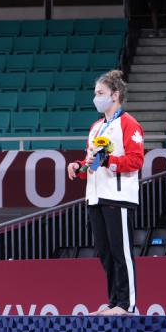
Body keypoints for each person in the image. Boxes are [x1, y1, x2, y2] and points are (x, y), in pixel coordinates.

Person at [67, 70, 144, 316]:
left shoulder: (129, 124)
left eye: (100, 93)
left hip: (118, 195)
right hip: (95, 195)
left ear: (115, 95)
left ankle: (127, 304)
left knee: (121, 253)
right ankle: (114, 302)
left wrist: (109, 160)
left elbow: (136, 160)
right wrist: (79, 167)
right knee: (105, 253)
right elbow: (92, 161)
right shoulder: (97, 127)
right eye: (95, 93)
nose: (96, 98)